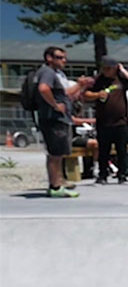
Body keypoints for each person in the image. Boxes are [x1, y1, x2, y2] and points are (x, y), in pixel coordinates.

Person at [35, 46, 93, 197]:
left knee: (58, 153)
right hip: (53, 118)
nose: (64, 61)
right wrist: (55, 105)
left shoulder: (56, 74)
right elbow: (43, 89)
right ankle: (55, 187)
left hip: (59, 118)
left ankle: (58, 181)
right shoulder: (47, 72)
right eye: (60, 57)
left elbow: (66, 95)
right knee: (55, 154)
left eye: (64, 58)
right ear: (49, 58)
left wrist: (80, 86)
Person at [84, 56, 128, 184]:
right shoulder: (99, 80)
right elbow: (86, 95)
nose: (106, 70)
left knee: (122, 150)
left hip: (120, 121)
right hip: (104, 121)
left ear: (115, 68)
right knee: (104, 150)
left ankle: (122, 174)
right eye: (104, 68)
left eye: (109, 68)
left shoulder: (121, 80)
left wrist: (123, 70)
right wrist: (97, 94)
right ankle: (102, 175)